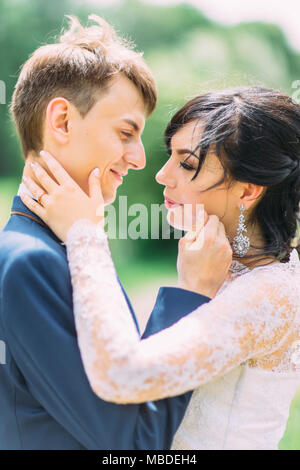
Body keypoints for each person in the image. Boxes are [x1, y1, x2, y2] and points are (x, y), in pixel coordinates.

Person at [21, 86, 300, 450]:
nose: (162, 175)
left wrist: (84, 234)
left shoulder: (273, 295)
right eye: (170, 156)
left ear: (248, 191)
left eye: (186, 163)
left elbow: (122, 375)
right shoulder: (219, 263)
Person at [0, 15, 231, 450]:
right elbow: (133, 444)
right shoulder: (32, 264)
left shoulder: (56, 248)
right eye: (126, 132)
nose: (140, 159)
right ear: (63, 122)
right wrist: (192, 296)